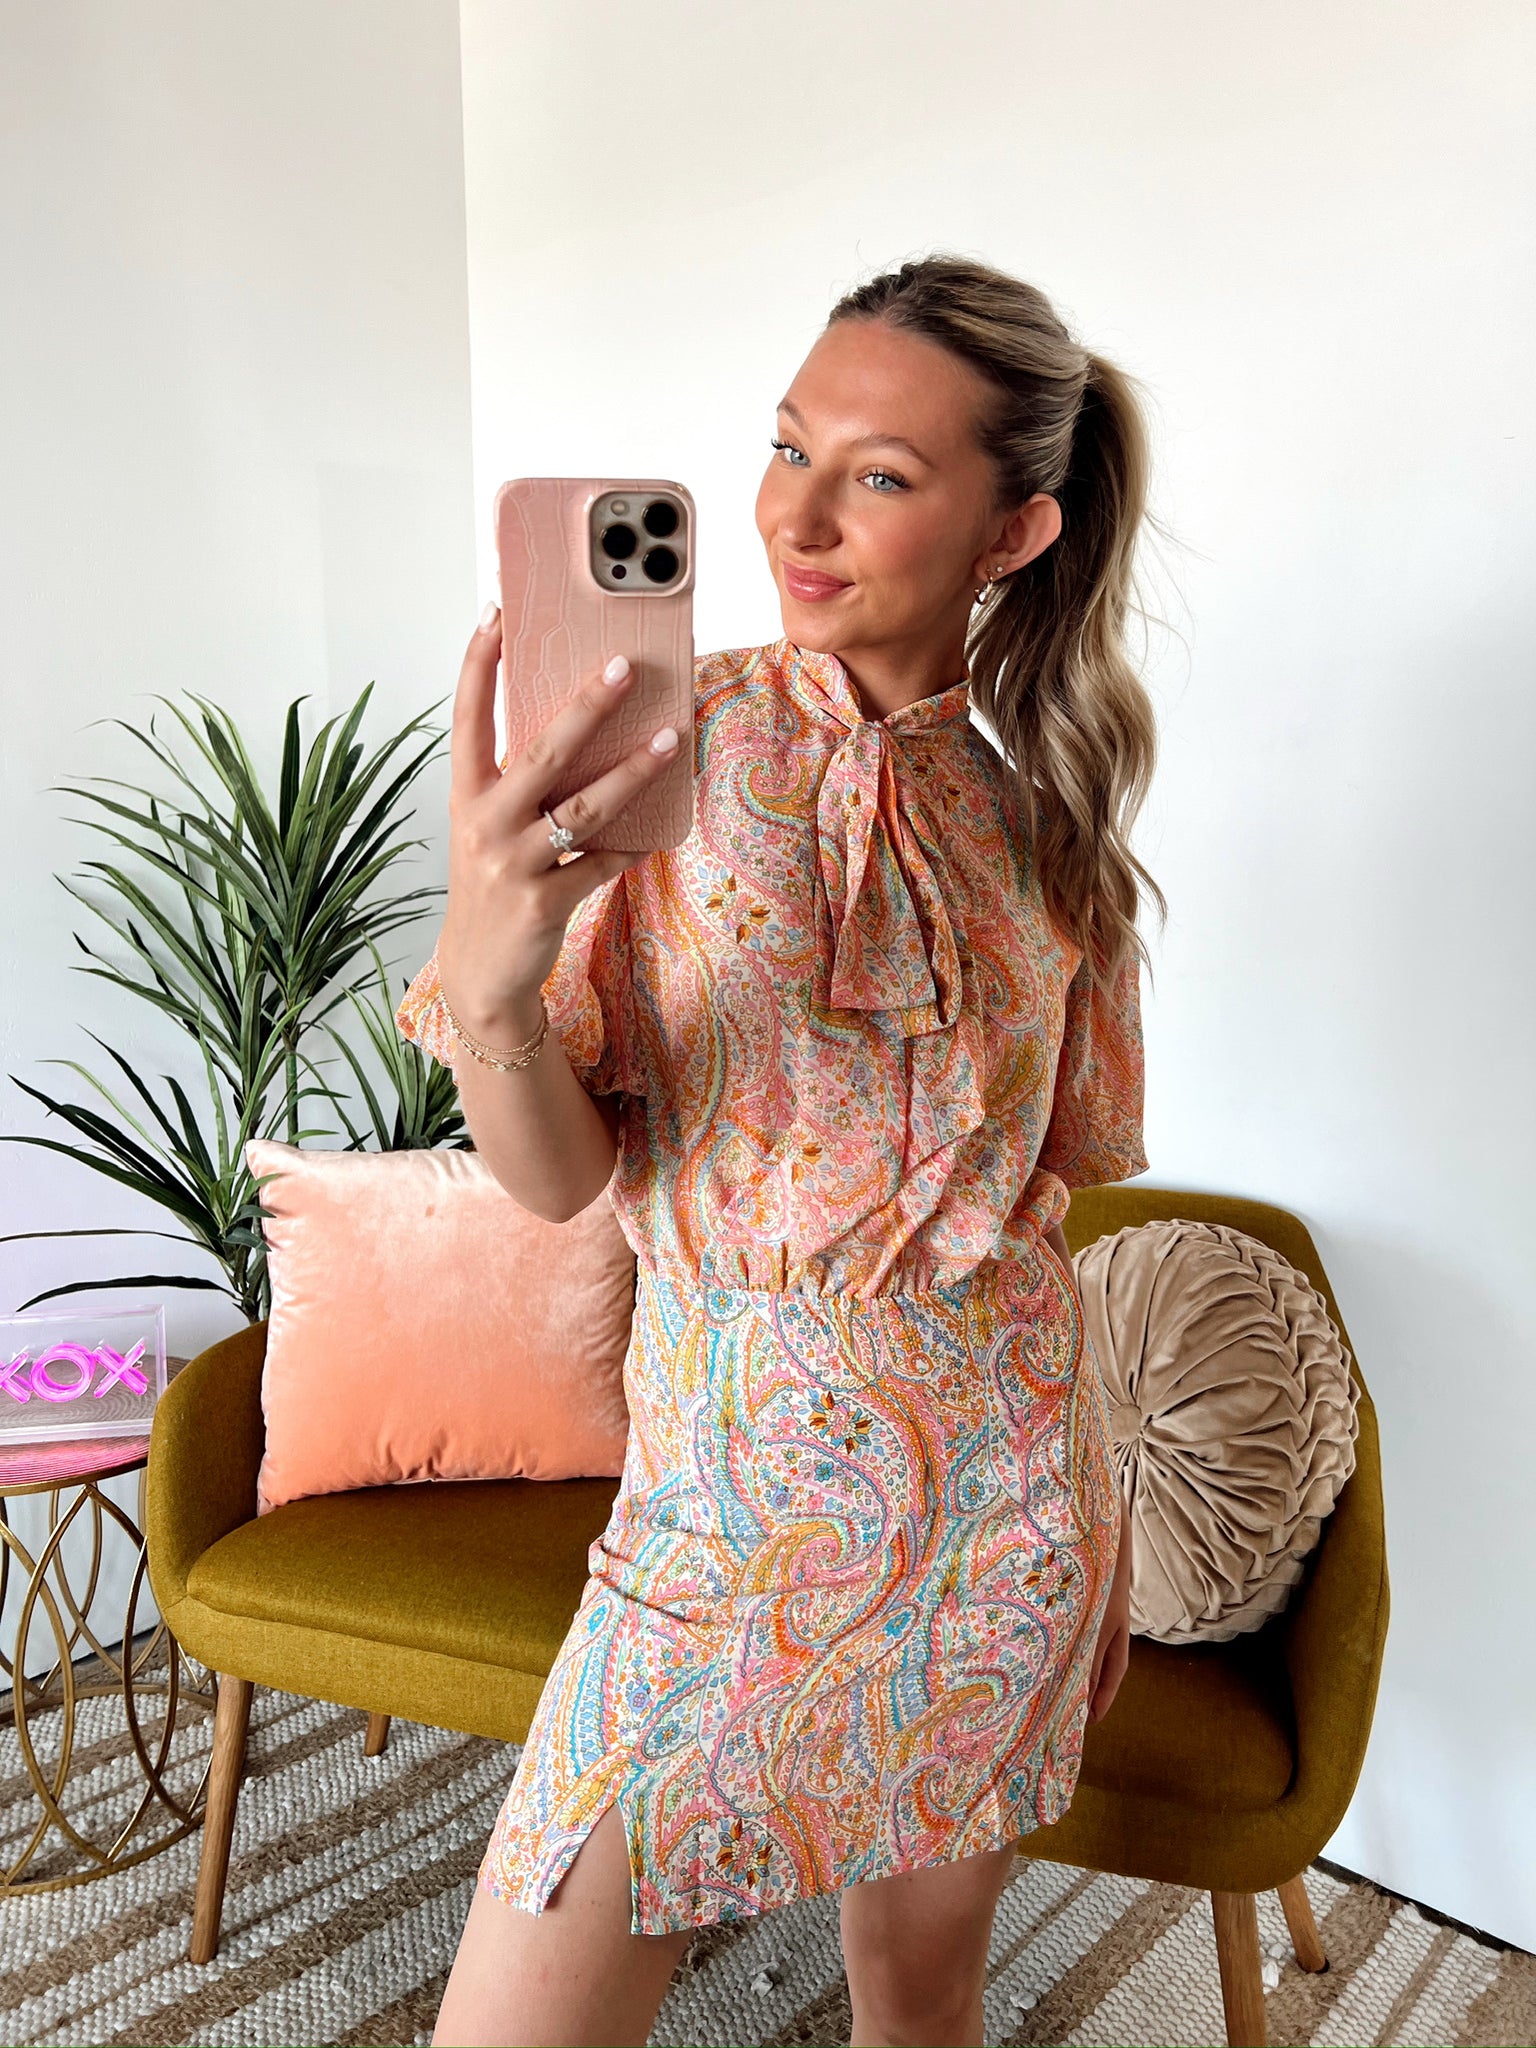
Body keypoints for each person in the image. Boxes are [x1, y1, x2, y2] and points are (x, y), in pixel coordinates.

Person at [395, 252, 1167, 2048]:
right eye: (787, 446)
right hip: (718, 1515)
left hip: (1002, 1513)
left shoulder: (1048, 820)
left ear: (1013, 532)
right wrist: (494, 971)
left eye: (879, 476)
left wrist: (1098, 1518)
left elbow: (1057, 1191)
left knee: (922, 2005)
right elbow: (557, 1181)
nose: (795, 518)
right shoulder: (648, 753)